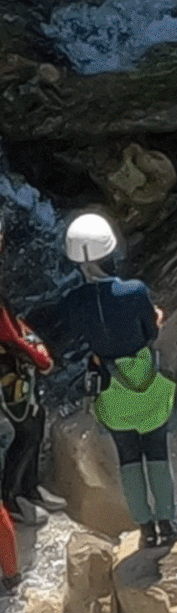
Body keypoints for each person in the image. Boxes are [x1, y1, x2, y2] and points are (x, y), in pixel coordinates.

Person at [26, 210, 177, 552]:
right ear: (109, 251)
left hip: (110, 387)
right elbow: (149, 331)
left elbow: (76, 333)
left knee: (128, 456)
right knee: (156, 452)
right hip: (143, 378)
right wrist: (155, 318)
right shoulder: (134, 290)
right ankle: (167, 523)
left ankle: (145, 530)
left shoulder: (74, 302)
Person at [0, 219, 54, 545]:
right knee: (27, 427)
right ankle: (12, 497)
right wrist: (39, 356)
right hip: (7, 368)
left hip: (11, 362)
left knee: (36, 418)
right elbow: (8, 332)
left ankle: (30, 487)